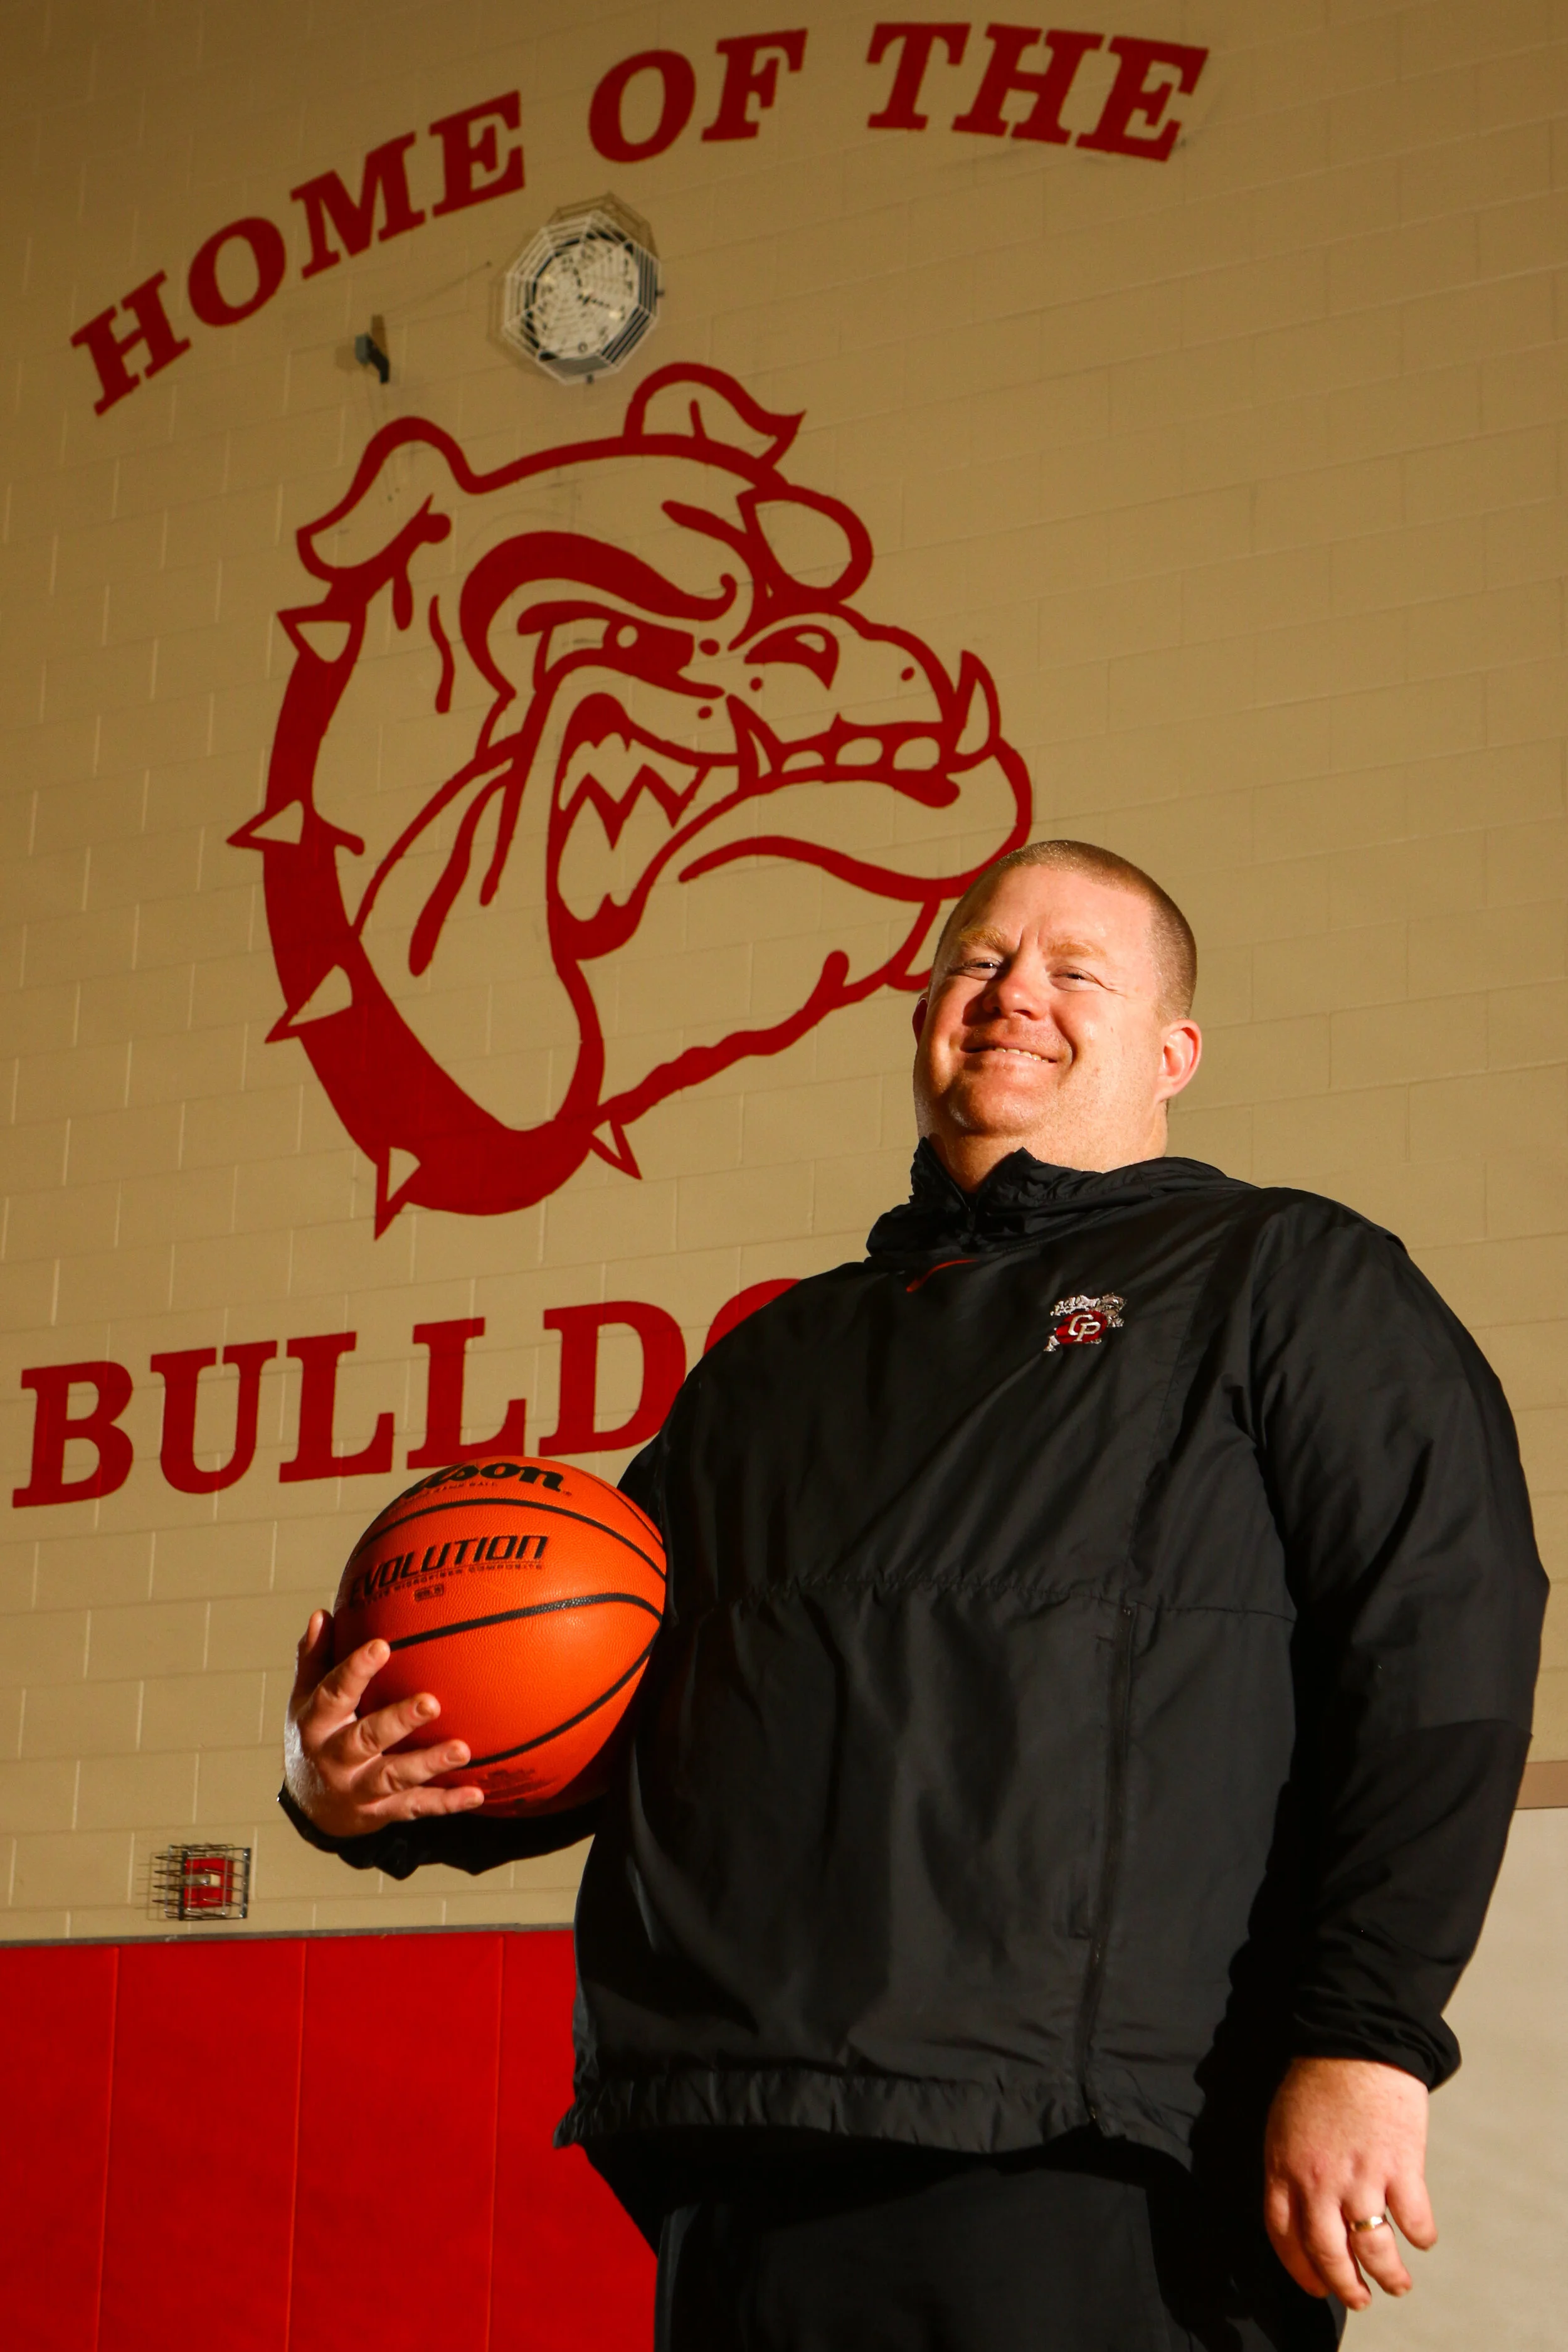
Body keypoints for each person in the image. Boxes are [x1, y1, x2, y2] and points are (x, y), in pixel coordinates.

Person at [283, 839, 1546, 2351]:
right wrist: (361, 1792)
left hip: (1098, 2159)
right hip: (744, 2152)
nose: (1013, 995)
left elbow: (1442, 1649)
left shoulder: (1284, 1277)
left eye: (1075, 970)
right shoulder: (766, 1368)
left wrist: (1364, 2040)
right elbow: (607, 1707)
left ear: (1172, 1049)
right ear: (920, 1015)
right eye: (976, 961)